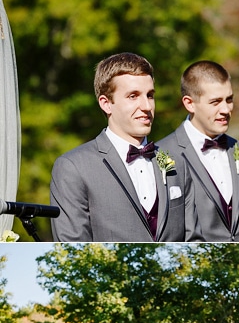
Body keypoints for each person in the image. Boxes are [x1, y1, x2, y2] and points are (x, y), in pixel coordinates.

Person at [50, 52, 201, 242]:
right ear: (106, 104)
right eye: (133, 96)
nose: (146, 106)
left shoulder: (178, 164)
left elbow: (194, 241)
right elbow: (72, 249)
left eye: (150, 95)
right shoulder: (73, 167)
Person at [156, 60, 239, 241]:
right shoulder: (161, 156)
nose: (226, 109)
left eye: (229, 99)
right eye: (215, 102)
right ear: (189, 103)